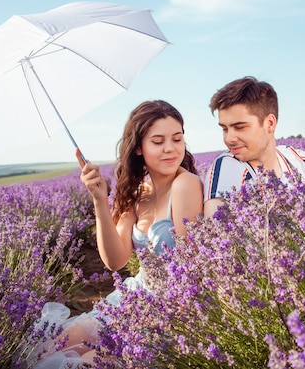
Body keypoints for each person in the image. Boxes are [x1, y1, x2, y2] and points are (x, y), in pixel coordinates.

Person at [28, 100, 203, 368]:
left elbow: (190, 274)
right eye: (158, 141)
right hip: (135, 297)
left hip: (173, 309)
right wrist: (99, 199)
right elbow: (115, 261)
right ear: (138, 148)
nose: (171, 148)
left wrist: (145, 321)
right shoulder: (136, 193)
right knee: (55, 347)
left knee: (88, 360)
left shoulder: (185, 184)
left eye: (177, 139)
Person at [203, 76, 305, 217]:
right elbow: (215, 231)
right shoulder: (228, 167)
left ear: (269, 123)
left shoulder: (299, 159)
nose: (229, 139)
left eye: (240, 127)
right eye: (225, 129)